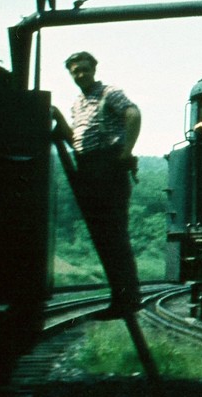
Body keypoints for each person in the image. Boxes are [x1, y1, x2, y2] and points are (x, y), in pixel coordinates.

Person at [52, 51, 142, 319]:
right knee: (102, 237)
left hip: (109, 168)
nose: (80, 74)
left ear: (94, 69)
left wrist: (126, 153)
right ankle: (120, 299)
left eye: (84, 69)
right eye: (75, 71)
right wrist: (58, 118)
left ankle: (128, 299)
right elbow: (77, 142)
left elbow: (133, 114)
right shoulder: (78, 103)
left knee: (114, 236)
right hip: (88, 168)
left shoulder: (108, 93)